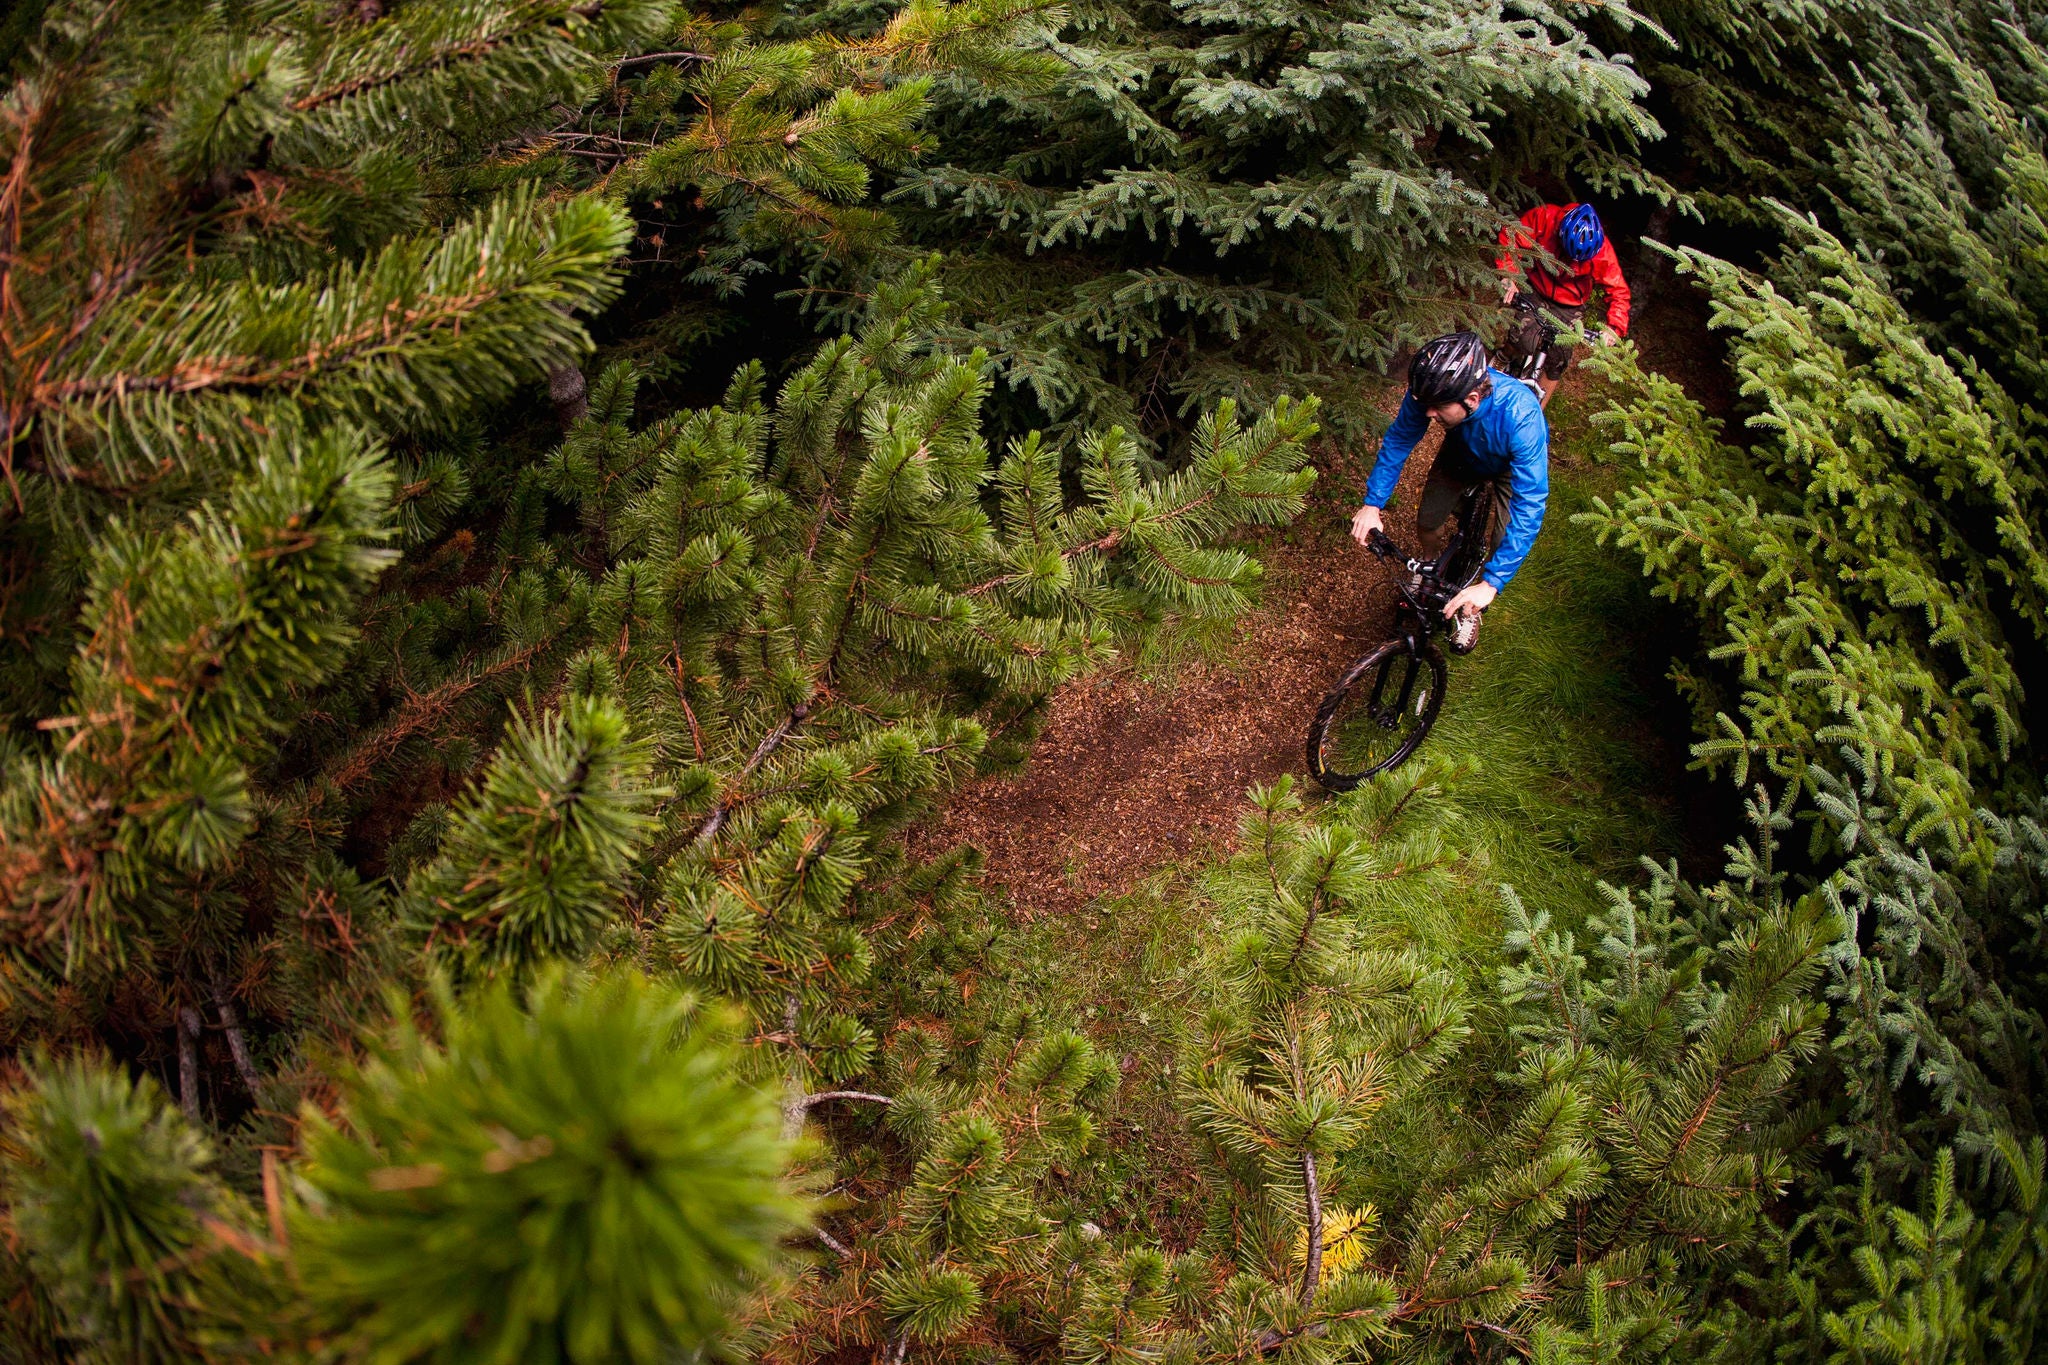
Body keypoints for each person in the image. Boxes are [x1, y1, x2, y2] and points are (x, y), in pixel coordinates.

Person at [1348, 332, 1549, 655]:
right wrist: (1372, 503)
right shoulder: (1429, 394)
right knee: (1429, 520)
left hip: (1508, 468)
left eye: (1438, 407)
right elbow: (1399, 441)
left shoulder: (1520, 417)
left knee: (1501, 541)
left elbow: (1530, 502)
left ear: (1471, 398)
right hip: (1461, 452)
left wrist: (1492, 584)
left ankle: (1473, 606)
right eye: (1425, 405)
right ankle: (1428, 567)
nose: (1429, 413)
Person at [1496, 202, 1630, 407]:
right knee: (1521, 338)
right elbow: (1511, 237)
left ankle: (1536, 415)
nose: (1571, 263)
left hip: (1570, 305)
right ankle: (1501, 359)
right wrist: (1509, 275)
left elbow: (1618, 291)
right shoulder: (1545, 218)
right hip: (1536, 287)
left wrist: (1614, 328)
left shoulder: (1602, 252)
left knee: (1558, 360)